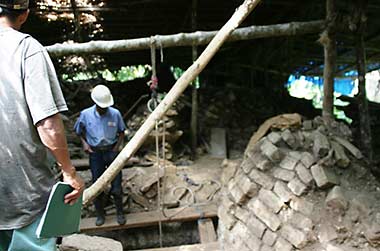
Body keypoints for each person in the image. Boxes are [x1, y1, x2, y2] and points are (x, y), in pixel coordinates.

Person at [0, 1, 84, 250]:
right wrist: (68, 172)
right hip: (25, 193)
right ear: (24, 15)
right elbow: (47, 123)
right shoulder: (26, 48)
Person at [74, 84, 126, 226]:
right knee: (97, 185)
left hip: (111, 151)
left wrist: (117, 147)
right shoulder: (86, 115)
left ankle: (120, 213)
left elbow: (122, 132)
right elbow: (79, 131)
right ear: (95, 103)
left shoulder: (115, 114)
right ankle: (100, 215)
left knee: (116, 186)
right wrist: (85, 144)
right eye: (101, 106)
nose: (104, 108)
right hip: (95, 153)